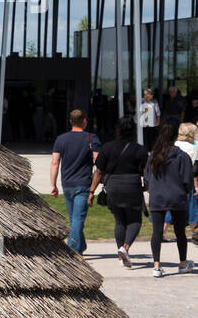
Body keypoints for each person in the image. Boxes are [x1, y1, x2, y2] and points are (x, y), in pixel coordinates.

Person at [89, 117, 148, 269]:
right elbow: (145, 172)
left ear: (117, 130)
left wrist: (91, 192)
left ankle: (121, 257)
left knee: (119, 220)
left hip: (113, 186)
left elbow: (99, 171)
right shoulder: (140, 149)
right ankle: (125, 248)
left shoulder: (107, 147)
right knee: (135, 220)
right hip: (132, 185)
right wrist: (147, 186)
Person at [142, 123, 196, 277]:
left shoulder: (153, 156)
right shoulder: (182, 156)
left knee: (157, 232)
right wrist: (185, 191)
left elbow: (147, 178)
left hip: (157, 196)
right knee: (180, 232)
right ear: (175, 137)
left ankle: (157, 266)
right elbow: (187, 180)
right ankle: (183, 263)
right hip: (177, 196)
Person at [50, 109, 101, 256]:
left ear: (70, 121)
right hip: (84, 183)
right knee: (77, 219)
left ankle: (79, 245)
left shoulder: (61, 139)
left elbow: (55, 162)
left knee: (74, 219)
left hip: (67, 183)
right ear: (84, 121)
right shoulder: (92, 138)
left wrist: (53, 184)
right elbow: (98, 162)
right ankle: (73, 249)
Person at [178, 122, 198, 232]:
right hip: (188, 181)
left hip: (174, 181)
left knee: (169, 212)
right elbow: (194, 167)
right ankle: (195, 232)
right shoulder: (192, 148)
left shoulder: (174, 145)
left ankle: (162, 232)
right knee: (193, 209)